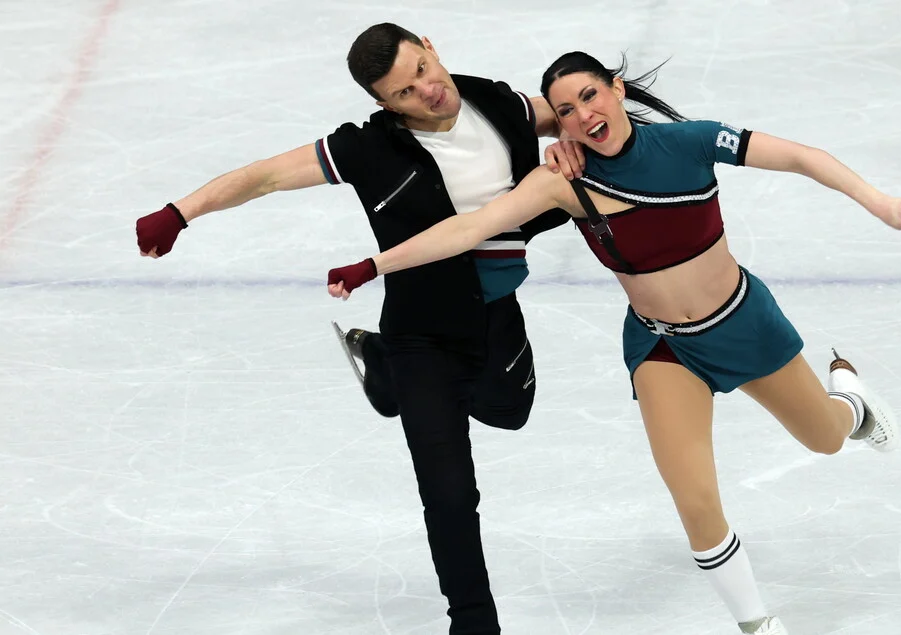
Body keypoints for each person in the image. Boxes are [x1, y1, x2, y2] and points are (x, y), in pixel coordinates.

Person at [323, 50, 901, 634]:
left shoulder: (691, 142)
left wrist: (879, 202)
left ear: (615, 88)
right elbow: (470, 228)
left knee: (824, 438)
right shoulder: (564, 180)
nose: (583, 116)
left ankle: (850, 402)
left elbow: (799, 156)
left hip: (742, 322)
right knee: (695, 500)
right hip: (663, 348)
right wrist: (374, 266)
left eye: (589, 95)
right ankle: (758, 624)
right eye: (565, 111)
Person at [134, 23, 586, 635]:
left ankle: (382, 372)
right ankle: (474, 623)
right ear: (383, 104)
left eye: (423, 71)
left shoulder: (498, 102)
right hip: (422, 333)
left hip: (495, 312)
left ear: (431, 46)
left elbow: (574, 114)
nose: (427, 92)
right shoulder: (367, 149)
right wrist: (180, 212)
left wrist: (594, 139)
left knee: (510, 410)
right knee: (450, 495)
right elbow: (265, 176)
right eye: (404, 92)